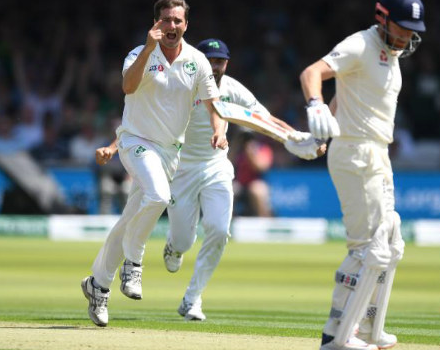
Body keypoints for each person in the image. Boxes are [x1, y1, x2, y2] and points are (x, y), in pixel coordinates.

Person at [95, 38, 324, 322]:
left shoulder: (232, 88)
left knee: (218, 230)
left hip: (216, 166)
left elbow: (264, 119)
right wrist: (113, 147)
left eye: (220, 61)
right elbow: (142, 123)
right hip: (179, 171)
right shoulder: (180, 86)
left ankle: (192, 299)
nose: (215, 67)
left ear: (227, 63)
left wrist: (300, 138)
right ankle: (175, 246)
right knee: (184, 241)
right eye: (210, 61)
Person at [81, 0, 225, 327]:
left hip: (169, 152)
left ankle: (97, 286)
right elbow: (128, 87)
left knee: (129, 220)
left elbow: (213, 106)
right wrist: (148, 49)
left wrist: (219, 131)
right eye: (165, 20)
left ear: (186, 24)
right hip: (135, 141)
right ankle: (133, 264)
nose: (171, 26)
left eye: (177, 20)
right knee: (158, 196)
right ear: (156, 23)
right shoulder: (138, 54)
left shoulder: (197, 61)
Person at [299, 0, 426, 350]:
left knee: (391, 241)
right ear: (382, 19)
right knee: (366, 247)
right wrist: (314, 107)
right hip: (355, 153)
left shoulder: (392, 54)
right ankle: (336, 335)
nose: (407, 35)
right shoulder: (360, 45)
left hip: (377, 153)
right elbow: (312, 72)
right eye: (401, 27)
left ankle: (370, 326)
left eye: (412, 30)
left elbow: (346, 95)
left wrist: (325, 125)